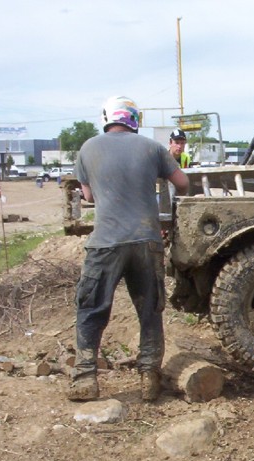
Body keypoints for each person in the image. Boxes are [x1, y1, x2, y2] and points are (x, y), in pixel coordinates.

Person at [68, 96, 189, 402]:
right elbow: (183, 183)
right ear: (135, 120)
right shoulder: (152, 147)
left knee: (92, 308)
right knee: (149, 311)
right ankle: (149, 377)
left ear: (107, 118)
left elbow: (89, 196)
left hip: (105, 243)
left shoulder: (87, 148)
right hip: (146, 241)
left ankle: (85, 377)